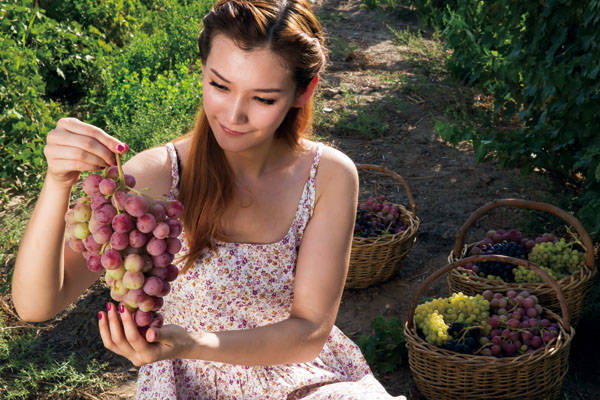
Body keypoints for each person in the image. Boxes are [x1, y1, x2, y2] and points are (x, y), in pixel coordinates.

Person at [12, 1, 406, 398]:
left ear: (304, 92)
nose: (234, 115)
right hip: (191, 385)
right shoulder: (155, 178)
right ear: (202, 72)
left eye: (264, 99)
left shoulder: (328, 176)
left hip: (301, 376)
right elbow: (36, 305)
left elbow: (308, 332)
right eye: (220, 85)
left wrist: (191, 343)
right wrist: (57, 180)